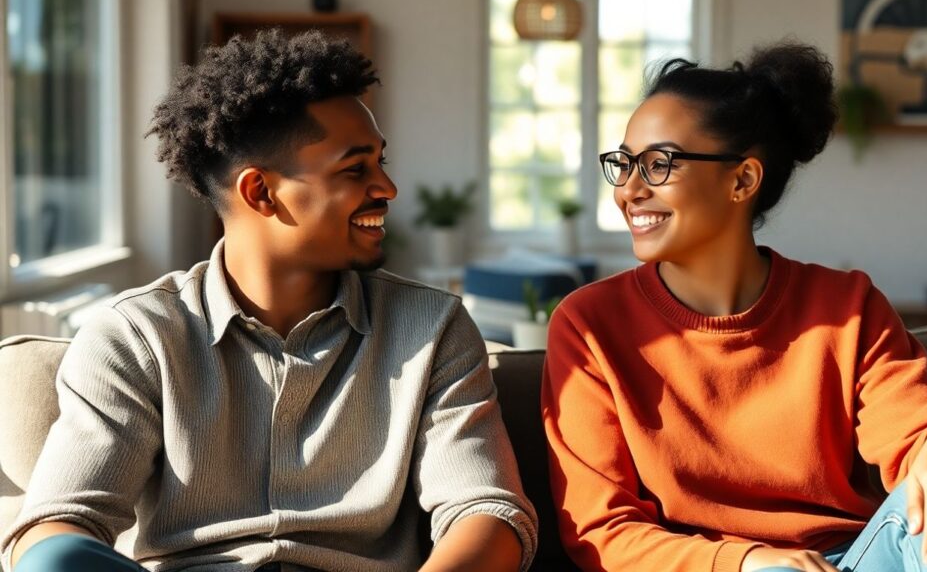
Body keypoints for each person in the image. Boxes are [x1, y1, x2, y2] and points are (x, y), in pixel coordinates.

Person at [2, 30, 537, 572]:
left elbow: (484, 510)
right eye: (356, 168)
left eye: (381, 161)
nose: (388, 188)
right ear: (260, 192)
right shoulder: (135, 337)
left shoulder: (432, 326)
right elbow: (57, 528)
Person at [541, 41, 927, 572]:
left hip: (857, 560)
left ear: (743, 180)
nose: (628, 190)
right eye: (624, 164)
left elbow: (913, 430)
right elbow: (600, 531)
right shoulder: (589, 326)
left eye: (659, 164)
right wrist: (749, 563)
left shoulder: (848, 307)